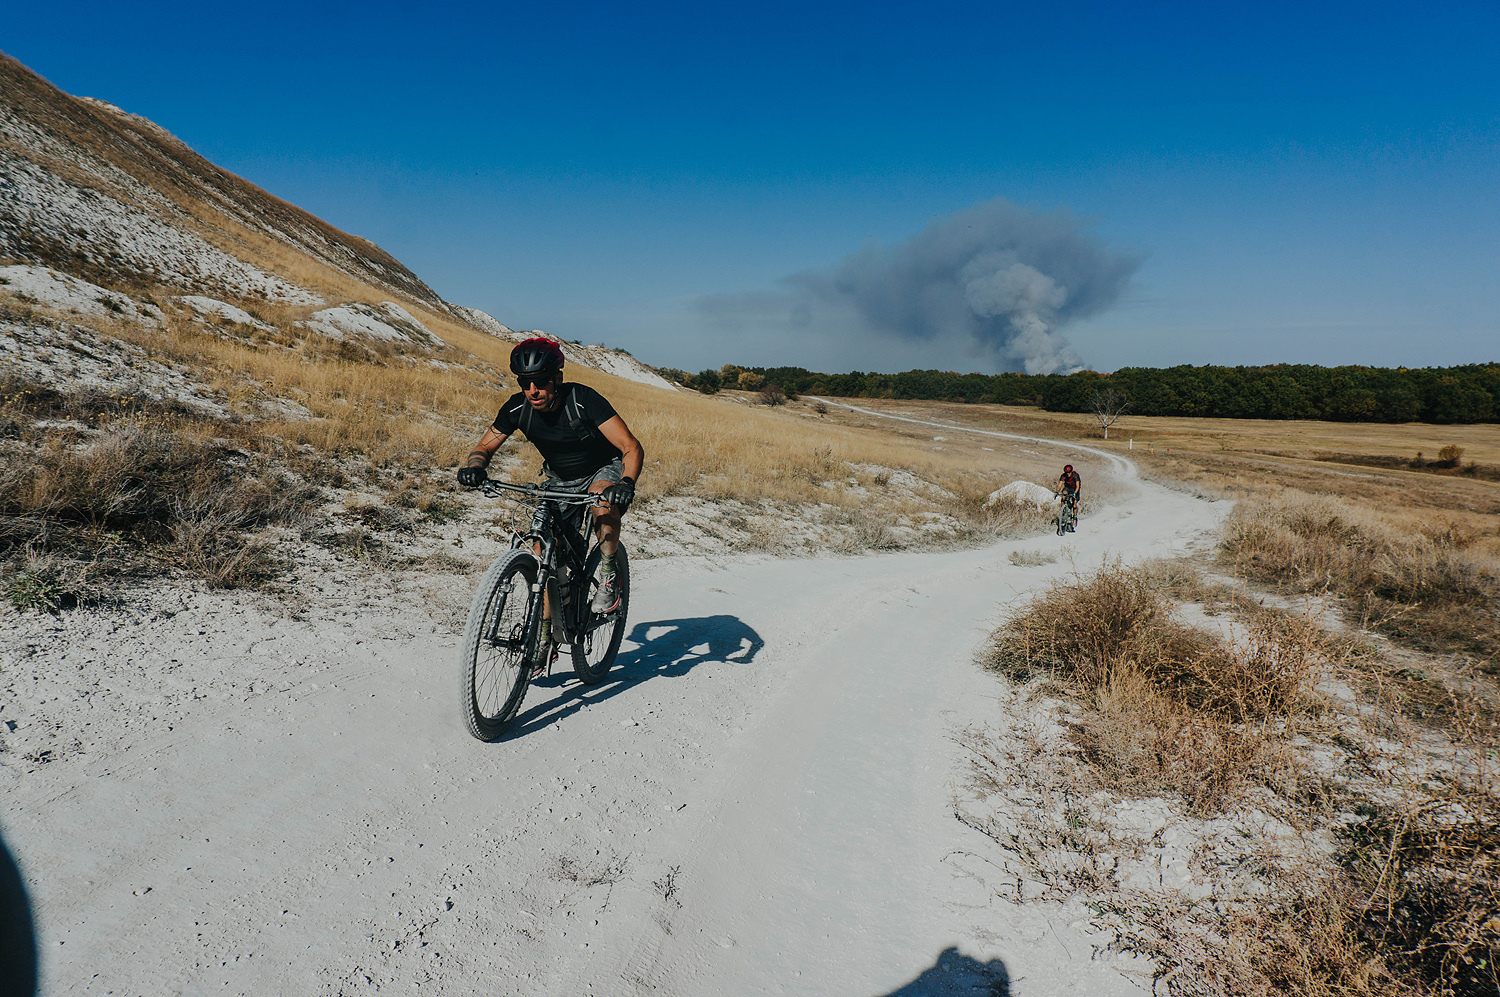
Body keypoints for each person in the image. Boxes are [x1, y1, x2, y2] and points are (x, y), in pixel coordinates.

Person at [457, 338, 644, 636]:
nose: (533, 390)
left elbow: (630, 447)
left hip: (602, 469)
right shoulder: (517, 407)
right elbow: (485, 445)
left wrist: (626, 483)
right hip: (559, 479)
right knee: (541, 548)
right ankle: (544, 634)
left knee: (601, 500)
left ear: (557, 377)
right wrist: (475, 466)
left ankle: (609, 575)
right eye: (525, 382)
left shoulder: (583, 400)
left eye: (541, 382)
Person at [1056, 464, 1081, 530]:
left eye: (1069, 473)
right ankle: (1063, 510)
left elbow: (1078, 486)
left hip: (1074, 489)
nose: (1067, 474)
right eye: (1066, 473)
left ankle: (1075, 516)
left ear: (1071, 472)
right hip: (1067, 487)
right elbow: (1060, 485)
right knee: (1064, 495)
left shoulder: (1075, 475)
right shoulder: (1063, 476)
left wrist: (1075, 494)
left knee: (1074, 503)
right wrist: (1057, 492)